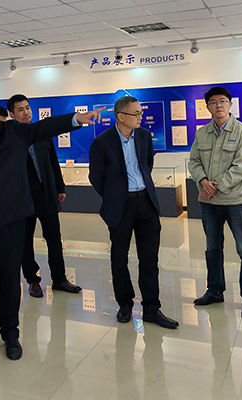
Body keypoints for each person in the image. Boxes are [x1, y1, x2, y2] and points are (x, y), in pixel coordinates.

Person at [0, 90, 102, 364]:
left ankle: (10, 333)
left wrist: (76, 119)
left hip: (12, 218)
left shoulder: (14, 132)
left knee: (10, 278)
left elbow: (44, 128)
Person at [88, 95, 179, 329]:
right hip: (121, 206)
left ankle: (152, 309)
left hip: (146, 203)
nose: (140, 117)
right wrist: (114, 196)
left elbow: (147, 165)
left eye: (140, 113)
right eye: (135, 113)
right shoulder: (102, 142)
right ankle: (125, 304)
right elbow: (96, 177)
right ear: (120, 116)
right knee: (119, 258)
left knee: (150, 259)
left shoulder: (144, 136)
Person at [188, 86, 242, 319]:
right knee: (212, 248)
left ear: (230, 104)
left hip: (235, 201)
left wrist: (215, 186)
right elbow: (194, 161)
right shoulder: (202, 133)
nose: (218, 105)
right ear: (207, 107)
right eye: (213, 102)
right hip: (209, 203)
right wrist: (202, 181)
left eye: (222, 101)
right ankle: (214, 291)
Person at [6, 94, 81, 297]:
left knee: (54, 239)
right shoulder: (10, 138)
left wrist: (60, 187)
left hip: (47, 195)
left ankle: (60, 278)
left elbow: (52, 161)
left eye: (27, 108)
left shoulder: (42, 133)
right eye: (20, 110)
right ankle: (32, 280)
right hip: (23, 199)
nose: (26, 112)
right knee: (25, 242)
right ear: (12, 114)